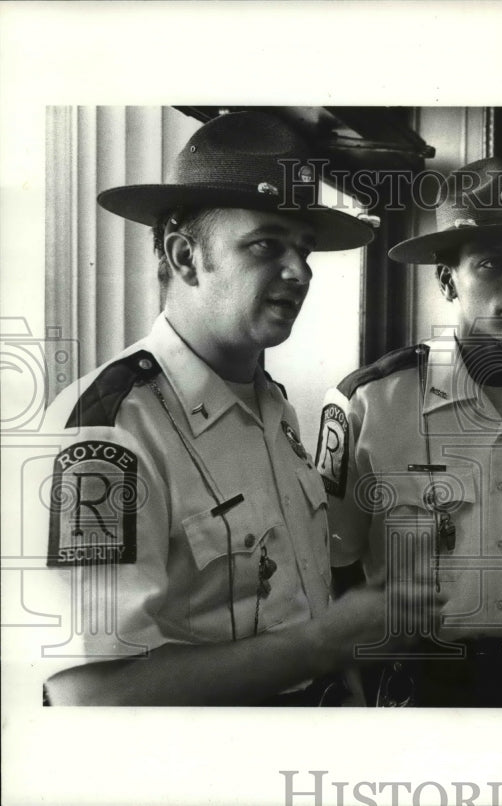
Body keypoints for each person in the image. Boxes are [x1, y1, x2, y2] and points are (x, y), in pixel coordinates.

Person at [39, 111, 417, 706]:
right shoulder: (110, 431)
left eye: (306, 250)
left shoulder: (276, 411)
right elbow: (89, 695)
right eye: (267, 244)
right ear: (185, 256)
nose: (300, 273)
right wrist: (325, 642)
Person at [317, 158, 502, 706]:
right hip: (418, 681)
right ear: (446, 279)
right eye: (490, 262)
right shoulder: (373, 403)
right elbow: (333, 563)